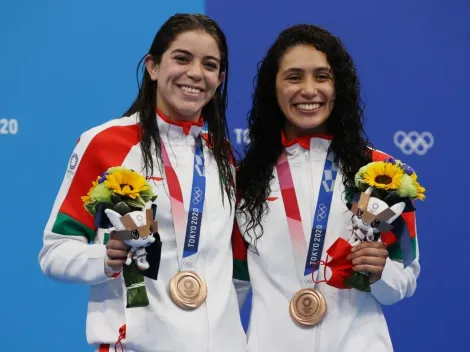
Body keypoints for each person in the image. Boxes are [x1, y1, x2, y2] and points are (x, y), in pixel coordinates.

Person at [39, 13, 247, 352]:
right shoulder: (106, 143)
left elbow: (236, 269)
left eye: (210, 65)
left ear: (220, 78)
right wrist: (105, 259)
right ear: (152, 66)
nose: (196, 73)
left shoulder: (223, 157)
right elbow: (55, 252)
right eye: (182, 58)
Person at [232, 24, 420, 352]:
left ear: (339, 86)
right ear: (272, 88)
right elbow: (234, 287)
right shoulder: (246, 180)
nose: (309, 90)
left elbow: (404, 279)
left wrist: (381, 273)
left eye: (322, 76)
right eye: (294, 77)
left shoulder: (382, 174)